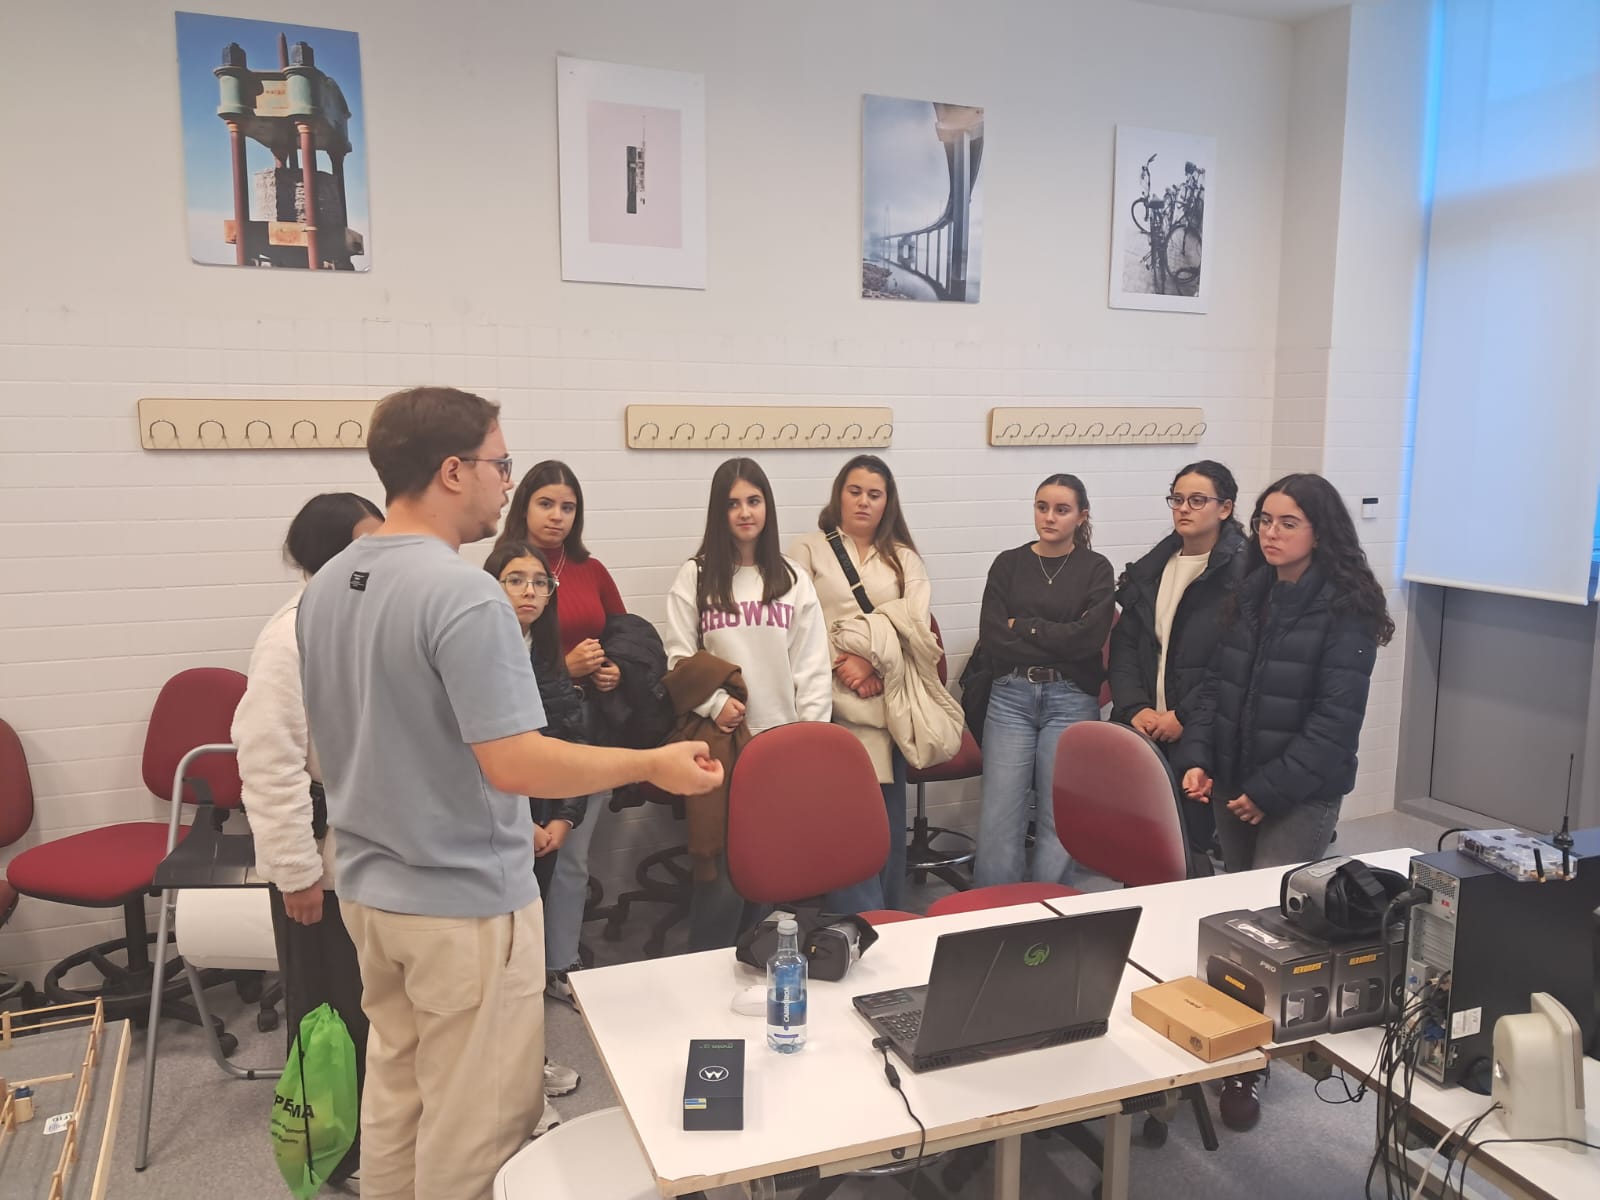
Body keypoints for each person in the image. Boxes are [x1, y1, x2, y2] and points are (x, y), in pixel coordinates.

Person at [297, 386, 721, 1200]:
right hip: (461, 906)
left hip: (371, 894)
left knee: (398, 1097)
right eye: (500, 463)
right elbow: (519, 763)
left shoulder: (330, 582)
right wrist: (651, 762)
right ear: (452, 471)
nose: (506, 481)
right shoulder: (463, 594)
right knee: (479, 1129)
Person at [1175, 472, 1393, 1130]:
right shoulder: (1253, 590)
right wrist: (1201, 761)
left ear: (1320, 531)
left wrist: (1265, 793)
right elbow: (1215, 688)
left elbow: (1333, 726)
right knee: (1233, 926)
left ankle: (1250, 1071)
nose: (1270, 533)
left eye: (1287, 522)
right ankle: (1227, 1046)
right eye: (1265, 521)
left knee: (1277, 939)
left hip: (1295, 795)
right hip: (1236, 784)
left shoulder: (1347, 607)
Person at [233, 491, 381, 1186]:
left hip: (375, 862)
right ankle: (336, 1154)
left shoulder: (361, 620)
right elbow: (268, 763)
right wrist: (294, 873)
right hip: (317, 871)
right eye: (365, 543)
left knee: (378, 1014)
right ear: (327, 555)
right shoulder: (289, 635)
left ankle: (380, 1139)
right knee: (331, 1019)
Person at [664, 457, 831, 947]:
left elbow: (813, 667)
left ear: (767, 507)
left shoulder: (792, 578)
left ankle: (763, 960)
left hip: (783, 738)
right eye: (733, 503)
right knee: (724, 869)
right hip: (723, 739)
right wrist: (715, 705)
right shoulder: (694, 576)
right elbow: (678, 659)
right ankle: (705, 965)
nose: (744, 513)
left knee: (775, 861)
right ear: (719, 512)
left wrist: (810, 738)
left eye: (753, 501)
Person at [495, 461, 624, 996]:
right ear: (523, 504)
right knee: (515, 860)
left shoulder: (588, 569)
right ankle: (514, 971)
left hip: (581, 726)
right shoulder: (497, 575)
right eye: (546, 503)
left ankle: (560, 964)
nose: (557, 516)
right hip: (519, 738)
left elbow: (622, 630)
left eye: (567, 507)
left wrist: (614, 668)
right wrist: (559, 671)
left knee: (569, 854)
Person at [790, 455, 931, 911]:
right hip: (828, 706)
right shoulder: (807, 550)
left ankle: (888, 916)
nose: (864, 502)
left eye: (875, 494)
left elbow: (917, 626)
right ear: (839, 494)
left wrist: (869, 665)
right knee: (844, 823)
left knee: (886, 824)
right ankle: (852, 920)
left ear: (887, 502)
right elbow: (794, 622)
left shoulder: (903, 557)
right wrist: (840, 663)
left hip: (886, 702)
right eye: (855, 491)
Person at [972, 474, 1115, 888]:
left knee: (1060, 812)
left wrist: (1027, 627)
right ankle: (992, 913)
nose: (1049, 517)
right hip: (1011, 696)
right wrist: (1057, 635)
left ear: (1081, 515)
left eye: (1061, 509)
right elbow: (995, 636)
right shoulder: (1008, 564)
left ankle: (1048, 906)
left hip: (1071, 699)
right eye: (1042, 507)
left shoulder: (1095, 569)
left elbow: (1089, 640)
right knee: (1001, 812)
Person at [484, 540, 586, 1103]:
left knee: (526, 955)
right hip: (491, 826)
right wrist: (515, 821)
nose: (528, 591)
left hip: (545, 826)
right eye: (513, 579)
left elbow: (573, 742)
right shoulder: (477, 653)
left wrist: (565, 820)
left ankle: (528, 1066)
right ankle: (501, 1078)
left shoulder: (551, 662)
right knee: (490, 959)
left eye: (539, 581)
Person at [1107, 460, 1248, 860]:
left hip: (1203, 731)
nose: (1184, 508)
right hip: (1147, 724)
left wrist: (1182, 716)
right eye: (1178, 499)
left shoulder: (1242, 574)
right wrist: (1135, 707)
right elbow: (1126, 646)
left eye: (1197, 500)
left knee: (1188, 846)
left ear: (1225, 508)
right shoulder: (1154, 568)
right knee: (1139, 841)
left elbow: (1233, 663)